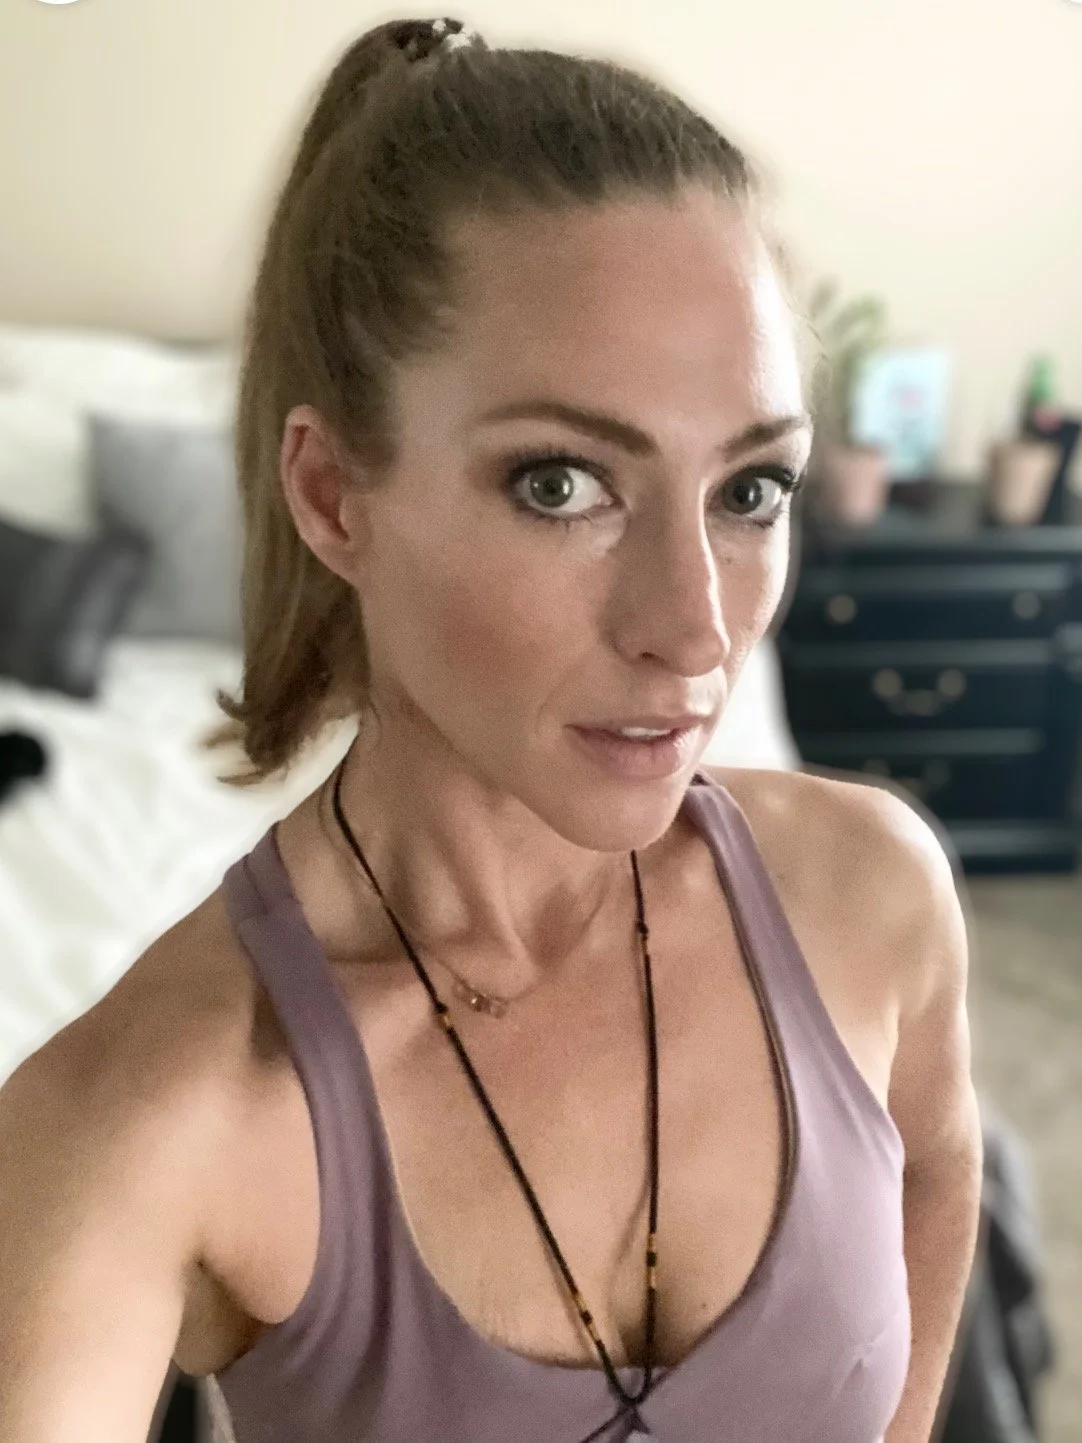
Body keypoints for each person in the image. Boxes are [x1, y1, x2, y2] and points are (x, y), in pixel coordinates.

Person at [0, 17, 983, 1443]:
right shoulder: (151, 1117)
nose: (697, 629)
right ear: (333, 496)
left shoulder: (872, 892)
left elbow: (935, 1171)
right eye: (560, 484)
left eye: (750, 490)